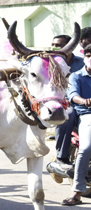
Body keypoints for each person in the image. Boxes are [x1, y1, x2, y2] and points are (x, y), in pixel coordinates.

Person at [51, 33, 90, 174]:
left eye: (59, 46)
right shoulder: (49, 63)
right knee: (67, 114)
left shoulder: (82, 63)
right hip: (59, 103)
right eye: (53, 45)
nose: (55, 48)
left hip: (83, 104)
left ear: (70, 47)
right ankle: (61, 158)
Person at [62, 45, 91, 206]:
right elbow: (73, 96)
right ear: (84, 57)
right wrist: (85, 101)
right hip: (87, 114)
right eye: (88, 55)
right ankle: (77, 192)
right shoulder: (76, 76)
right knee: (86, 148)